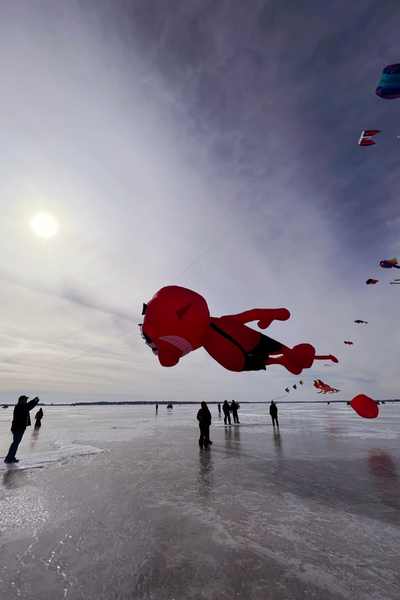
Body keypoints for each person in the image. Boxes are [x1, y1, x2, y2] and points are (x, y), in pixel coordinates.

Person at [4, 395, 39, 463]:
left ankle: (11, 457)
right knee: (15, 443)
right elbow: (28, 406)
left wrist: (34, 401)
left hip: (19, 428)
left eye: (26, 400)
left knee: (15, 443)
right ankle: (9, 458)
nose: (26, 401)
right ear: (21, 400)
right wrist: (34, 401)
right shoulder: (20, 407)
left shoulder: (22, 406)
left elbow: (28, 406)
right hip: (18, 428)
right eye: (25, 400)